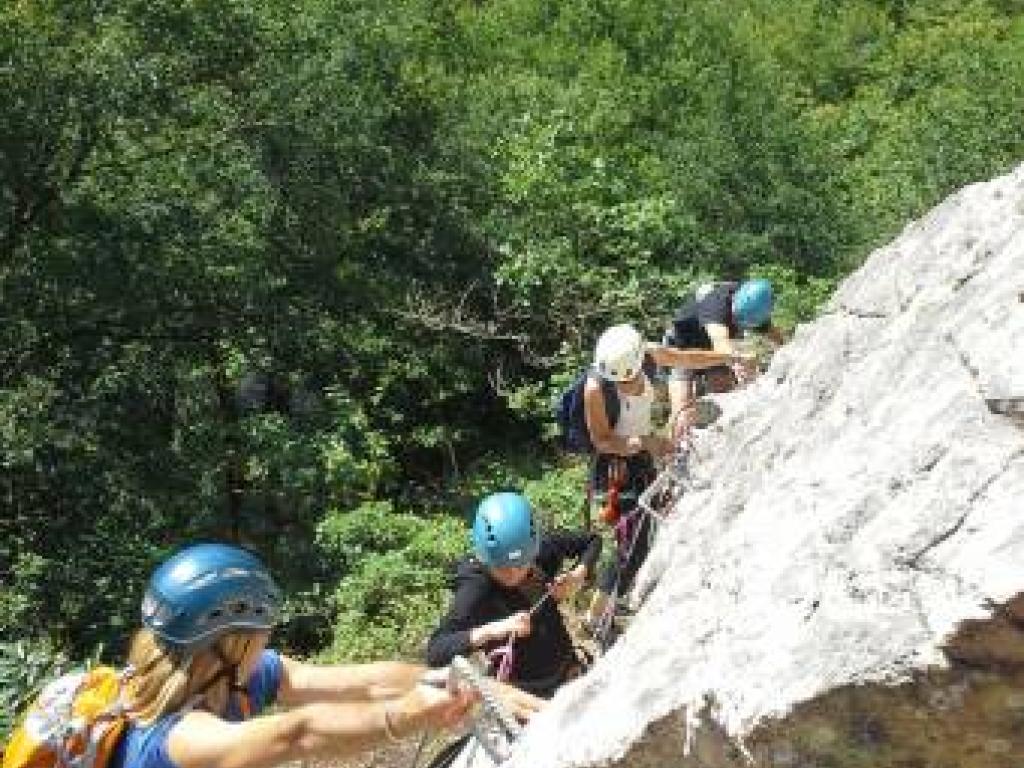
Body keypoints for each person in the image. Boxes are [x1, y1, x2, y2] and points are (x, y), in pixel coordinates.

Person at [109, 542, 540, 768]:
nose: (268, 641)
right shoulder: (174, 740)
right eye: (263, 633)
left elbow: (364, 681)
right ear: (232, 642)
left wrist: (473, 684)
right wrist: (408, 714)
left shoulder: (224, 676)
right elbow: (298, 734)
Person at [580, 323, 743, 633]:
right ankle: (597, 614)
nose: (626, 382)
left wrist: (724, 355)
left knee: (643, 534)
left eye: (628, 376)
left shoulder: (649, 356)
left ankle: (611, 604)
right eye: (620, 379)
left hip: (641, 457)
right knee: (630, 541)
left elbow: (685, 359)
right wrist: (645, 442)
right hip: (616, 466)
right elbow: (601, 439)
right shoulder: (595, 388)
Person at [426, 492, 601, 698]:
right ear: (485, 558)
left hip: (568, 671)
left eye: (520, 565)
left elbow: (592, 541)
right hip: (523, 692)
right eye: (502, 567)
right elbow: (436, 651)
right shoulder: (476, 587)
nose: (513, 574)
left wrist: (578, 574)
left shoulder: (539, 551)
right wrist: (494, 630)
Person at [664, 279, 785, 437]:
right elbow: (720, 343)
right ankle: (674, 450)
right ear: (734, 301)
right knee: (682, 409)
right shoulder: (716, 304)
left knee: (724, 394)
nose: (739, 324)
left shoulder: (754, 306)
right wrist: (740, 363)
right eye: (737, 319)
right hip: (682, 348)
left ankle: (721, 439)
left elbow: (774, 335)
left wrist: (790, 350)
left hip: (712, 348)